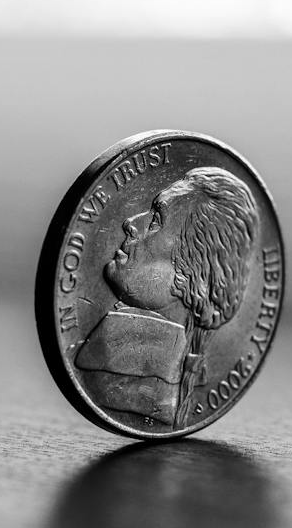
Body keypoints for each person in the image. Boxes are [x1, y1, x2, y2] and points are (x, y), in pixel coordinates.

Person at [74, 166, 259, 425]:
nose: (131, 223)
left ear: (194, 266)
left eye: (157, 219)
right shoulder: (106, 357)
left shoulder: (119, 379)